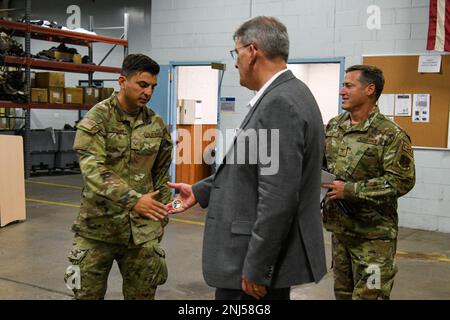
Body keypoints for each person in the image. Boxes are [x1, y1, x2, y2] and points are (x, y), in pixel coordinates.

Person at [167, 16, 327, 300]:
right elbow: (251, 168)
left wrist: (257, 266)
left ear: (252, 52)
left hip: (250, 268)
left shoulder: (279, 102)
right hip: (255, 261)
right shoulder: (290, 94)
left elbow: (278, 196)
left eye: (236, 52)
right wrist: (201, 190)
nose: (235, 62)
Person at [64, 54, 173, 300]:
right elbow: (93, 169)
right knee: (85, 295)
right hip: (97, 228)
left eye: (152, 87)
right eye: (142, 84)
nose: (148, 92)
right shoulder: (97, 118)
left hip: (141, 231)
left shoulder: (156, 124)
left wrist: (161, 218)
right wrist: (133, 199)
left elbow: (161, 173)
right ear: (122, 81)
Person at [321, 65, 416, 300]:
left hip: (374, 237)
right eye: (343, 85)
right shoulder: (335, 126)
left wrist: (350, 190)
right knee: (342, 294)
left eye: (349, 86)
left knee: (370, 296)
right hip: (340, 232)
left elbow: (401, 181)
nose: (342, 91)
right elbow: (324, 167)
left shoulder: (391, 134)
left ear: (369, 90)